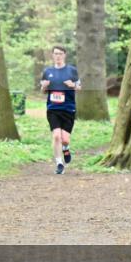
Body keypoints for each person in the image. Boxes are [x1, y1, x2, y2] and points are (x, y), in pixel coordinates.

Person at [40, 46, 81, 175]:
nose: (58, 56)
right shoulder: (47, 72)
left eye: (60, 54)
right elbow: (43, 90)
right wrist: (44, 87)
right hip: (53, 109)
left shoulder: (72, 71)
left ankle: (66, 148)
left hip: (68, 109)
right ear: (52, 55)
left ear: (64, 55)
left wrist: (72, 85)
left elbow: (79, 87)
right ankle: (59, 163)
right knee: (57, 136)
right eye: (56, 53)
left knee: (65, 139)